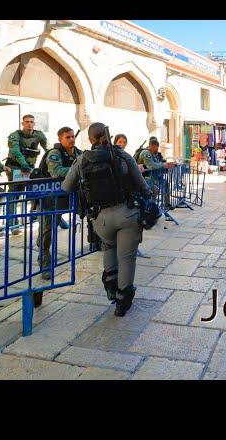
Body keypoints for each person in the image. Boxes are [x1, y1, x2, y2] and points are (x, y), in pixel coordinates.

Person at [62, 122, 154, 316]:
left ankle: (111, 287)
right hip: (127, 214)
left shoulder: (81, 160)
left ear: (90, 139)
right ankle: (123, 300)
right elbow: (142, 185)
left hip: (100, 218)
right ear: (109, 137)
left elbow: (66, 187)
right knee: (127, 257)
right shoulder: (122, 156)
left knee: (109, 248)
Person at [35, 126, 82, 279]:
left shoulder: (78, 153)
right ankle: (45, 262)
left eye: (73, 136)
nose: (71, 139)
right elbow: (56, 171)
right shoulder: (55, 154)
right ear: (60, 139)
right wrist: (77, 170)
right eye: (67, 137)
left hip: (68, 196)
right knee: (47, 232)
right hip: (51, 197)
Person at [5, 114, 48, 234]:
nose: (29, 124)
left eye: (31, 122)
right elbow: (15, 151)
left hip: (30, 167)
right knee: (15, 194)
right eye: (27, 122)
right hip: (15, 167)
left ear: (34, 124)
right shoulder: (15, 135)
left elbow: (48, 149)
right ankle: (12, 224)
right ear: (22, 123)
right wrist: (24, 164)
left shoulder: (39, 135)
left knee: (34, 192)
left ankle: (34, 217)